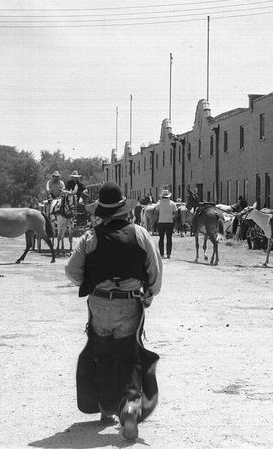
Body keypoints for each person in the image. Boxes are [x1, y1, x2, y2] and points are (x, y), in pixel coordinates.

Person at [65, 183, 162, 440]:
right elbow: (154, 271)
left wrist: (90, 283)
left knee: (104, 354)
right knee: (129, 355)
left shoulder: (90, 237)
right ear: (124, 210)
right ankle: (129, 406)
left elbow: (71, 271)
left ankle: (107, 407)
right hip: (129, 302)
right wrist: (149, 294)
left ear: (101, 211)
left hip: (99, 303)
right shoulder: (140, 233)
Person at [155, 189, 175, 259]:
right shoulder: (172, 203)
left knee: (161, 238)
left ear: (162, 196)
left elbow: (156, 213)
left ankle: (161, 254)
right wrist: (172, 218)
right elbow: (175, 213)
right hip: (169, 222)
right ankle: (168, 254)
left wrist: (156, 221)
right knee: (169, 238)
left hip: (161, 222)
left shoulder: (159, 203)